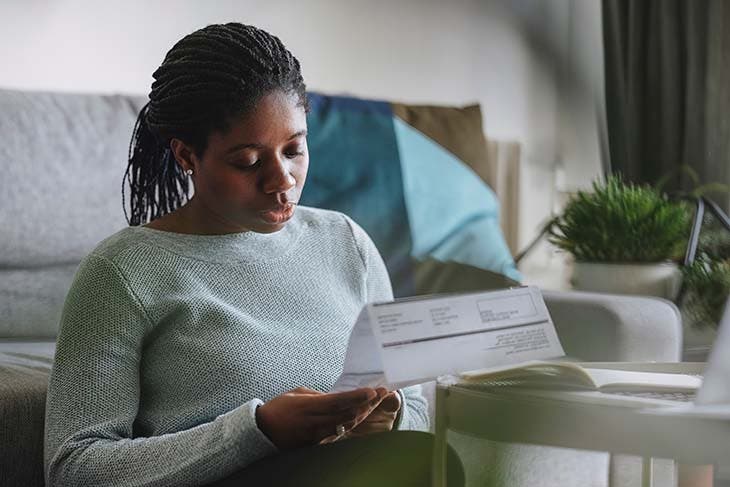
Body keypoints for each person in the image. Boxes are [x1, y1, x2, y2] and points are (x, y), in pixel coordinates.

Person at [43, 22, 463, 486]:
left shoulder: (347, 242)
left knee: (433, 458)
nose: (282, 179)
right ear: (186, 156)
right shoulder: (122, 272)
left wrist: (393, 415)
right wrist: (258, 431)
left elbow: (418, 406)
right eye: (248, 161)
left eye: (294, 150)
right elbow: (74, 468)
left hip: (359, 471)